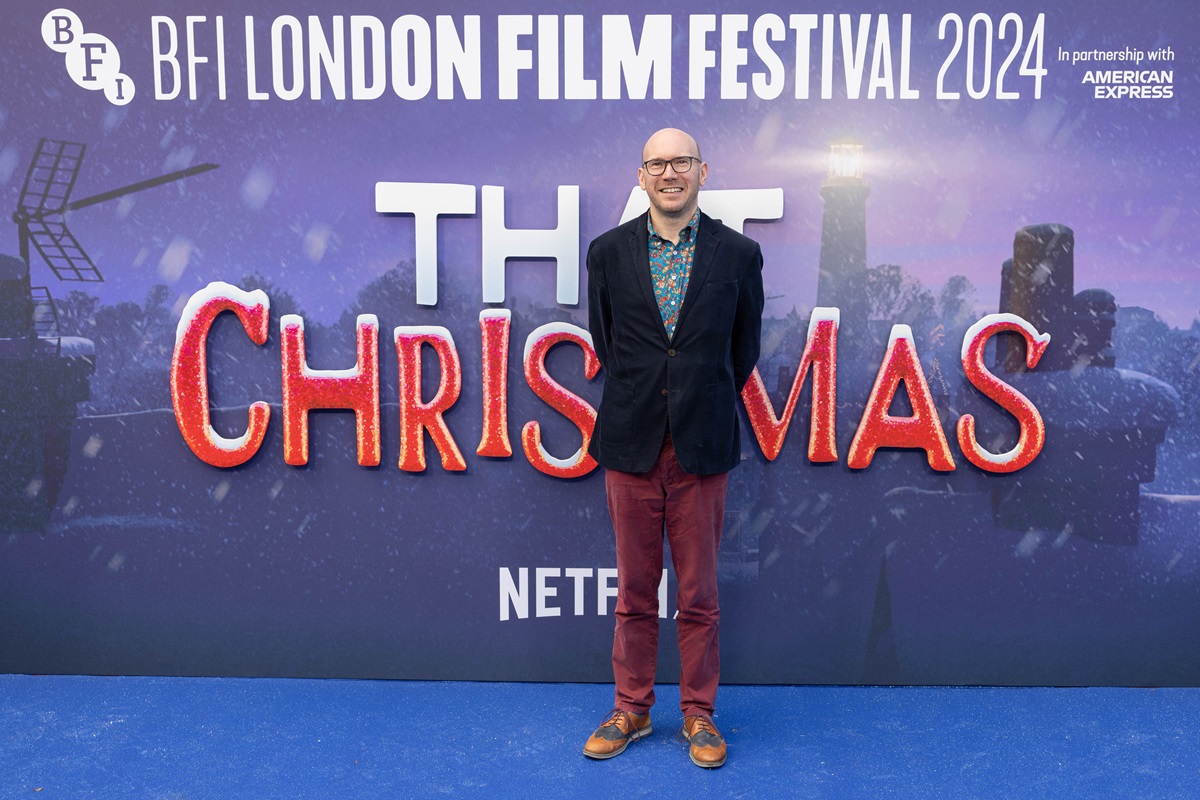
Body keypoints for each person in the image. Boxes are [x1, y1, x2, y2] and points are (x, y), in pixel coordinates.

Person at [582, 128, 764, 768]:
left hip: (702, 446)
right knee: (634, 591)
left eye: (681, 161)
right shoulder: (607, 253)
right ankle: (631, 708)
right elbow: (609, 345)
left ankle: (699, 715)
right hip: (629, 445)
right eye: (657, 164)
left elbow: (742, 352)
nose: (669, 173)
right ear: (641, 176)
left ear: (702, 171)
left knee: (699, 595)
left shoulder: (738, 254)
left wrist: (695, 397)